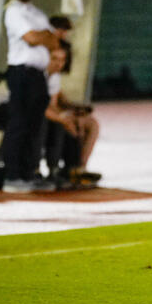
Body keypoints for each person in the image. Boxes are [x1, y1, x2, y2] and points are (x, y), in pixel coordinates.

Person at [1, 0, 59, 193]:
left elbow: (54, 41)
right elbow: (33, 38)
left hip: (38, 75)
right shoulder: (12, 11)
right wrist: (42, 36)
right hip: (21, 73)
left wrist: (42, 36)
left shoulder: (36, 13)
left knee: (35, 127)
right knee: (19, 124)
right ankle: (12, 176)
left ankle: (28, 173)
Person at [44, 18, 101, 189]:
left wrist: (75, 108)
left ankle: (79, 167)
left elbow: (57, 97)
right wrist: (64, 115)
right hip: (41, 112)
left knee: (91, 123)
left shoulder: (55, 72)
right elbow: (43, 102)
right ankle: (68, 169)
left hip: (51, 109)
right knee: (69, 123)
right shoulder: (39, 65)